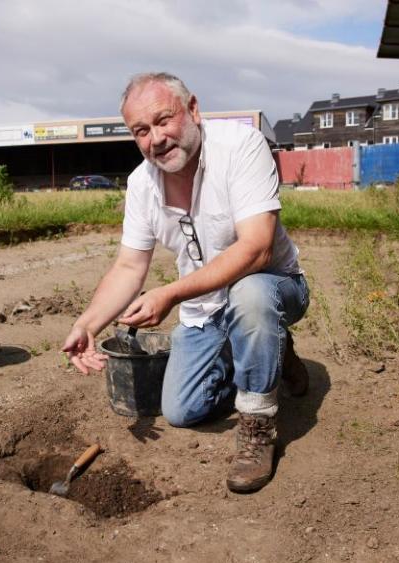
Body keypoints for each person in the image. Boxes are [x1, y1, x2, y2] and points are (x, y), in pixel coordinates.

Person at [61, 72, 309, 493]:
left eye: (163, 120)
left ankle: (257, 425)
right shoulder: (142, 184)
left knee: (249, 294)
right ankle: (266, 354)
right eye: (141, 130)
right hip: (207, 307)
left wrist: (170, 294)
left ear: (192, 109)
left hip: (273, 287)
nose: (155, 138)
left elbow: (257, 250)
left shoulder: (241, 148)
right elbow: (128, 266)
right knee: (180, 410)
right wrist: (88, 324)